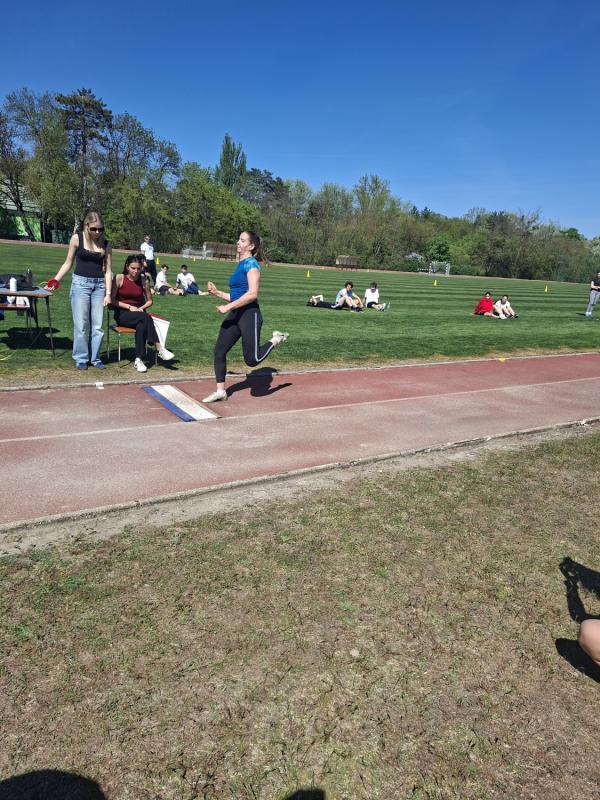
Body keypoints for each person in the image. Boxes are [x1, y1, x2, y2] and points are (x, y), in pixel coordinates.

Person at [202, 230, 289, 403]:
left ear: (251, 246)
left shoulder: (252, 265)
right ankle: (220, 392)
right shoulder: (241, 264)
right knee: (219, 351)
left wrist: (227, 307)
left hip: (250, 314)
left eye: (242, 240)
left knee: (252, 360)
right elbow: (236, 296)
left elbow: (252, 294)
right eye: (239, 240)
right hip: (236, 313)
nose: (238, 242)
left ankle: (276, 339)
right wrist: (217, 293)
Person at [47, 211, 112, 370]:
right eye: (94, 229)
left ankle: (95, 358)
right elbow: (68, 263)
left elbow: (108, 271)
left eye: (100, 229)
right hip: (80, 285)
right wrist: (55, 280)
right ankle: (81, 358)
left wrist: (108, 294)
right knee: (81, 325)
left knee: (97, 326)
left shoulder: (105, 244)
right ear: (86, 226)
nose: (97, 232)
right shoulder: (77, 238)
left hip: (99, 286)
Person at [111, 254, 174, 373]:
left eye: (138, 269)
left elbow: (150, 301)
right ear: (127, 266)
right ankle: (159, 348)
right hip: (123, 314)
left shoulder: (144, 280)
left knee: (141, 325)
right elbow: (112, 300)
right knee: (146, 317)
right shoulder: (119, 278)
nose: (135, 271)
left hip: (139, 314)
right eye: (133, 268)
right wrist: (130, 307)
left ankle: (138, 359)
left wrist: (140, 308)